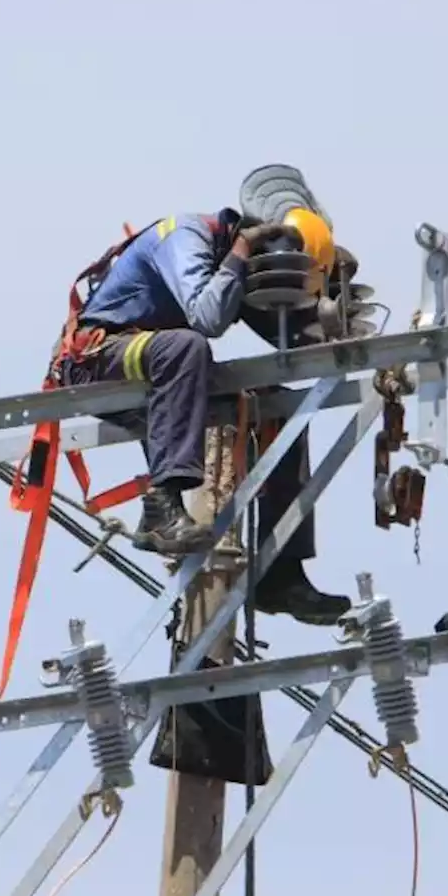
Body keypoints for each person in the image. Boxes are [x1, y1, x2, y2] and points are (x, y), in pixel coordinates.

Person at [50, 206, 353, 626]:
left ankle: (279, 573)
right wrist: (243, 252)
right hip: (97, 360)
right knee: (186, 347)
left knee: (276, 406)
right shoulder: (187, 236)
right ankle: (162, 508)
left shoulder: (233, 259)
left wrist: (334, 311)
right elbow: (206, 318)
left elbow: (296, 338)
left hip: (155, 373)